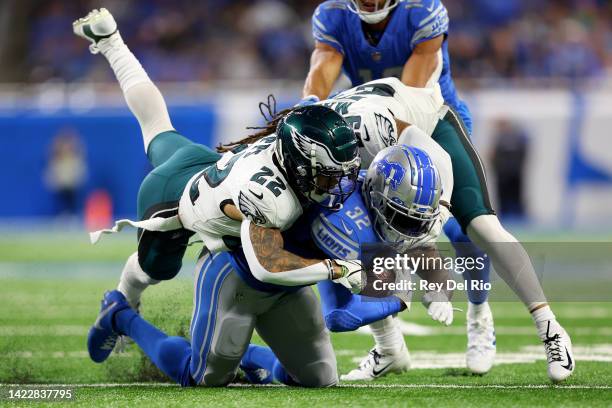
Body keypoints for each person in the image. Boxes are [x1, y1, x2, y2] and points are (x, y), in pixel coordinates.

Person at [74, 9, 368, 387]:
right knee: (154, 270)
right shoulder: (267, 197)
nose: (335, 184)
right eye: (327, 175)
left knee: (157, 125)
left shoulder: (292, 152)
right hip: (174, 195)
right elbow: (267, 265)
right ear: (301, 165)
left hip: (210, 166)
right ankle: (119, 308)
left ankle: (111, 40)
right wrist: (337, 269)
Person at [312, 76, 575, 382]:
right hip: (372, 149)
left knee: (480, 227)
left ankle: (549, 329)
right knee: (357, 233)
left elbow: (439, 158)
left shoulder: (372, 130)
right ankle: (389, 348)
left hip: (430, 129)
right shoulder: (327, 167)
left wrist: (439, 215)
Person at [300, 0, 497, 374]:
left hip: (433, 121)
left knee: (461, 225)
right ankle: (388, 345)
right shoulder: (333, 14)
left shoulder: (422, 12)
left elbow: (409, 94)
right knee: (361, 224)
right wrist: (311, 102)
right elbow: (324, 62)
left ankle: (479, 315)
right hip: (372, 124)